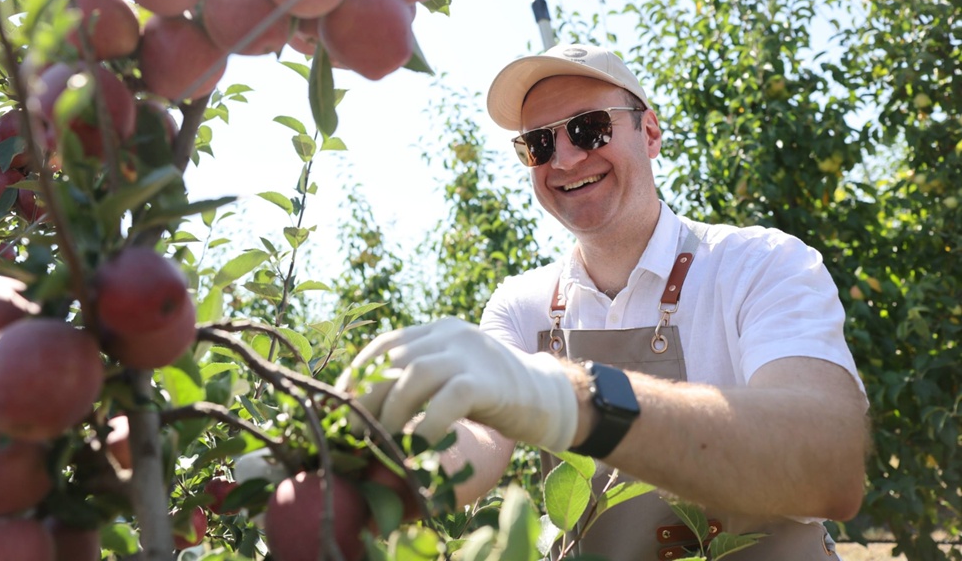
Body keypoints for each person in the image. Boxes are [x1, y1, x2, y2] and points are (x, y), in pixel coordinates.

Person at [341, 43, 870, 560]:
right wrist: (359, 472)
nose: (566, 158)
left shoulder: (758, 264)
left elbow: (827, 465)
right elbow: (475, 440)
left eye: (589, 128)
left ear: (651, 132)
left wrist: (567, 396)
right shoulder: (521, 306)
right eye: (539, 145)